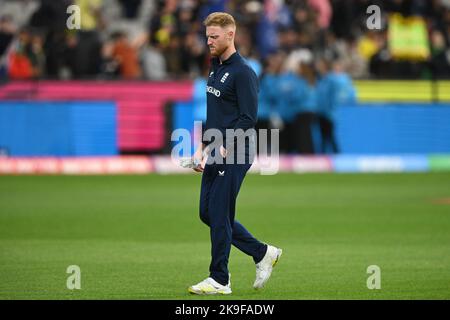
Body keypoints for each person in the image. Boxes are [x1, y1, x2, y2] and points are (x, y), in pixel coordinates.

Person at [188, 12, 282, 295]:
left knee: (218, 213)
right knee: (208, 213)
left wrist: (225, 143)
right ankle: (262, 252)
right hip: (218, 146)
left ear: (231, 35)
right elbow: (215, 115)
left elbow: (248, 117)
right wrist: (202, 147)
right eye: (207, 37)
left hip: (237, 149)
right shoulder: (215, 68)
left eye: (214, 37)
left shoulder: (243, 72)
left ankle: (220, 279)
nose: (209, 42)